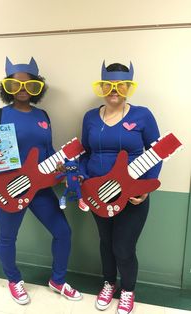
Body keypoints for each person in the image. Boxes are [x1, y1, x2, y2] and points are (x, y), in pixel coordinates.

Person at [0, 57, 82, 305]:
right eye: (15, 85)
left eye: (29, 85)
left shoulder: (43, 115)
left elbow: (47, 150)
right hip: (8, 188)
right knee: (8, 237)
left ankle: (58, 280)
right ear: (6, 87)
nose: (22, 90)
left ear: (37, 87)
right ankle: (13, 280)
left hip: (40, 188)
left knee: (63, 232)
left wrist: (60, 169)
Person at [80, 61, 162, 313]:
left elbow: (157, 152)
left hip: (132, 196)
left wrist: (147, 187)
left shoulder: (143, 115)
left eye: (120, 85)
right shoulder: (90, 117)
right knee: (106, 243)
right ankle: (108, 283)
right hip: (99, 196)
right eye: (109, 85)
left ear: (129, 87)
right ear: (102, 86)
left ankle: (127, 289)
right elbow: (85, 152)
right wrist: (83, 179)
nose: (114, 90)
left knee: (123, 247)